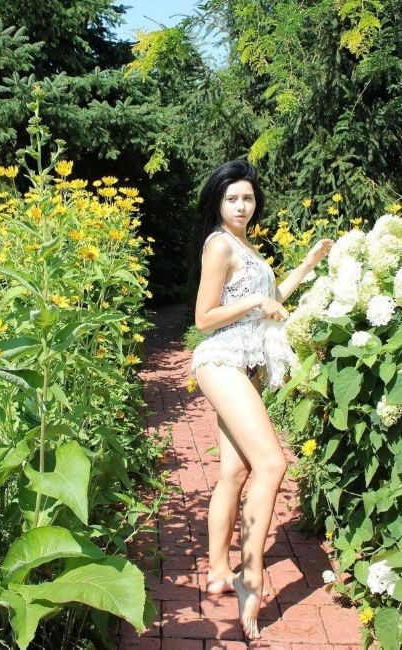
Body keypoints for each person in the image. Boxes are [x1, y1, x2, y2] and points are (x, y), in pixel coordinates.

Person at [190, 160, 333, 641]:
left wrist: (307, 265)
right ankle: (250, 582)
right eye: (232, 198)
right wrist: (255, 302)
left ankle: (217, 571)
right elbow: (204, 319)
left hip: (244, 367)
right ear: (218, 202)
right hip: (222, 361)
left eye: (247, 198)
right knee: (272, 464)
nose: (241, 206)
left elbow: (273, 300)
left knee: (234, 472)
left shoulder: (248, 247)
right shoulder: (219, 245)